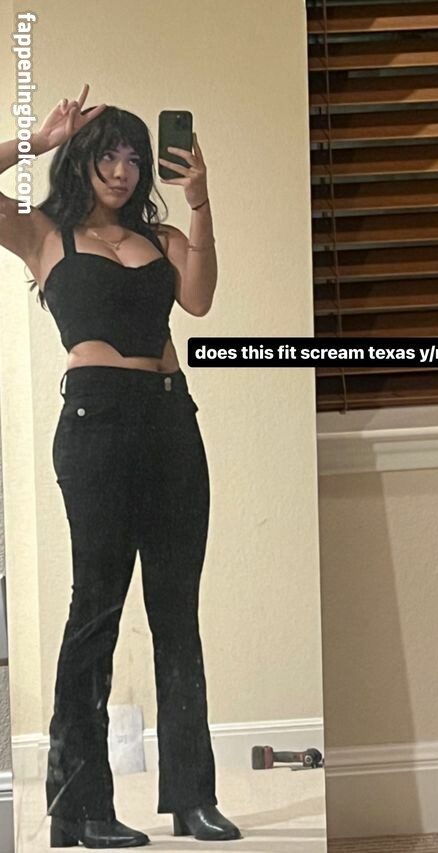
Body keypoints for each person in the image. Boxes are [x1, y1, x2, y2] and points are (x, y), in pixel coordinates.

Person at [0, 83, 242, 847]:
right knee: (95, 608)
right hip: (95, 422)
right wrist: (35, 140)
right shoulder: (43, 233)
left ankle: (193, 798)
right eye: (108, 153)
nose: (122, 168)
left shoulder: (161, 237)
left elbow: (198, 300)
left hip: (171, 420)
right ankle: (80, 804)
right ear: (82, 158)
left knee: (177, 610)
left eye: (135, 156)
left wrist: (199, 204)